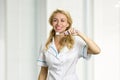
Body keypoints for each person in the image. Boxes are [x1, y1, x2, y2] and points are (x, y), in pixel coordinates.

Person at [37, 9, 101, 80]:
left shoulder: (75, 43)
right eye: (55, 20)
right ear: (52, 23)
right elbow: (43, 72)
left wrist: (80, 34)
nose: (58, 23)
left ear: (68, 24)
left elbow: (96, 50)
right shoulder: (45, 44)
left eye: (62, 20)